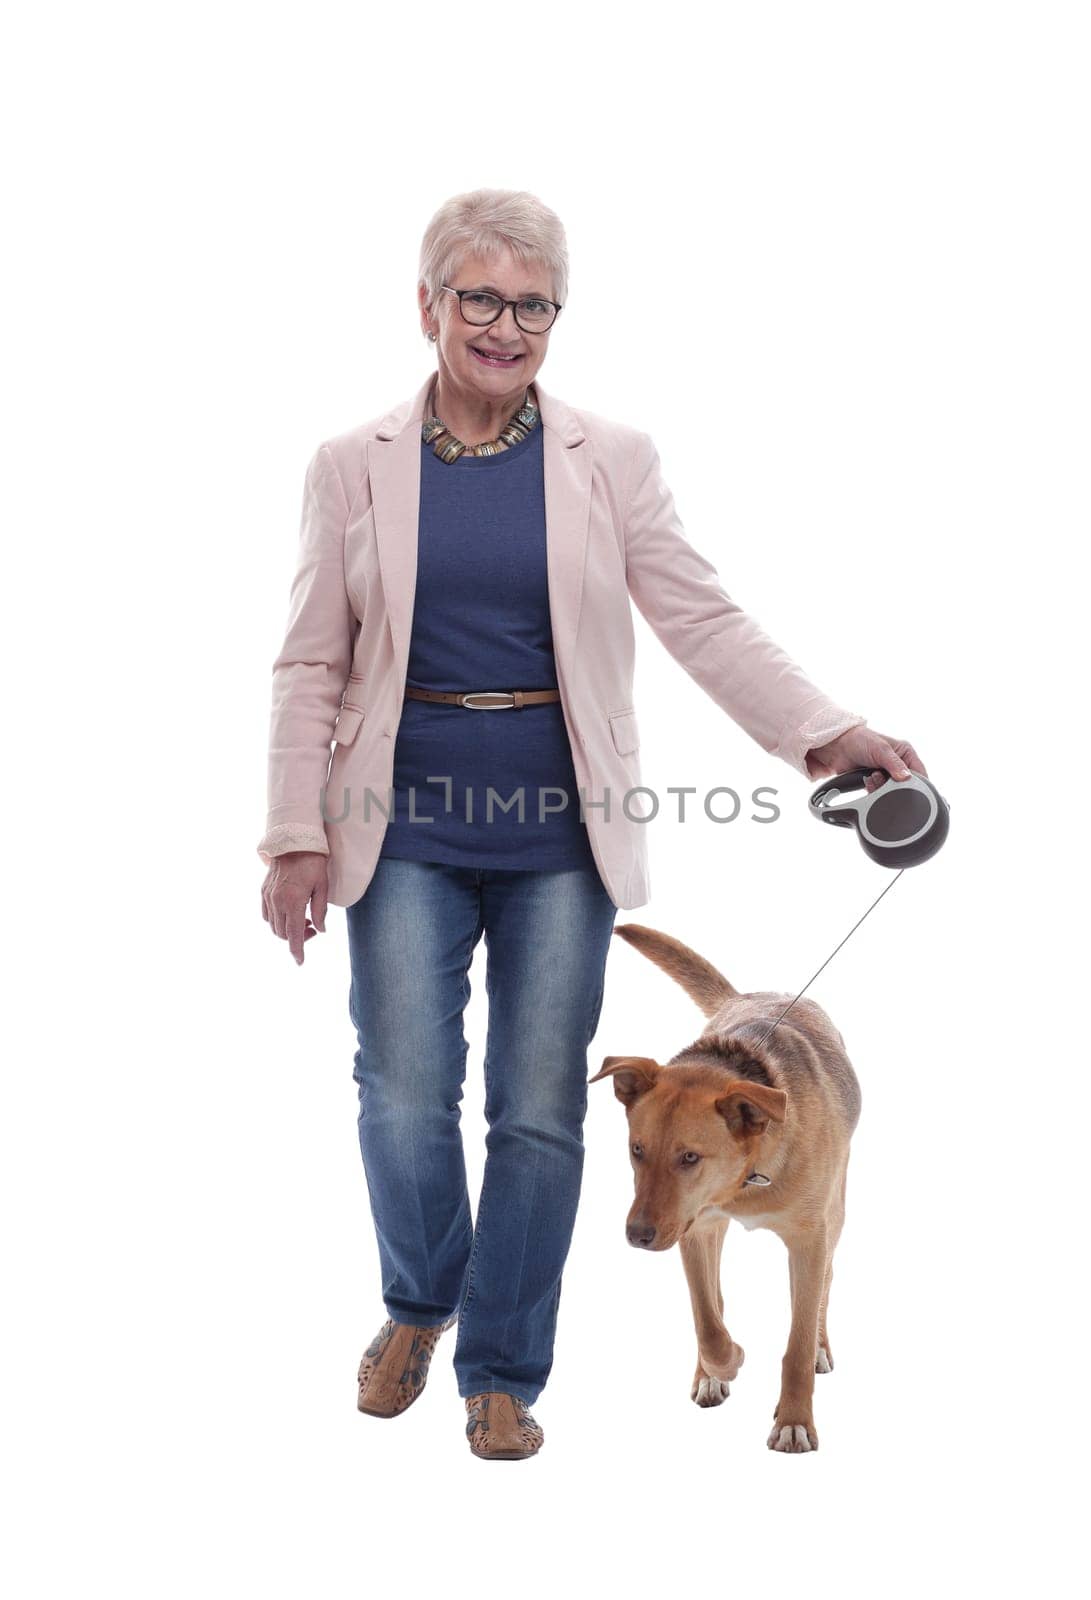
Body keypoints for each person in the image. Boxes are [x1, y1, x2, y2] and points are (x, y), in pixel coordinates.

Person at [258, 188, 926, 1461]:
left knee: (538, 1110)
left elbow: (703, 621)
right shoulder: (350, 466)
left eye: (533, 305)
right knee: (402, 1093)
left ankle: (502, 1369)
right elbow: (307, 664)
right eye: (481, 299)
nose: (506, 327)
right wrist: (293, 829)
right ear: (428, 306)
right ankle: (418, 1305)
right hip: (394, 817)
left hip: (561, 828)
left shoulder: (609, 461)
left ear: (553, 318)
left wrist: (824, 734)